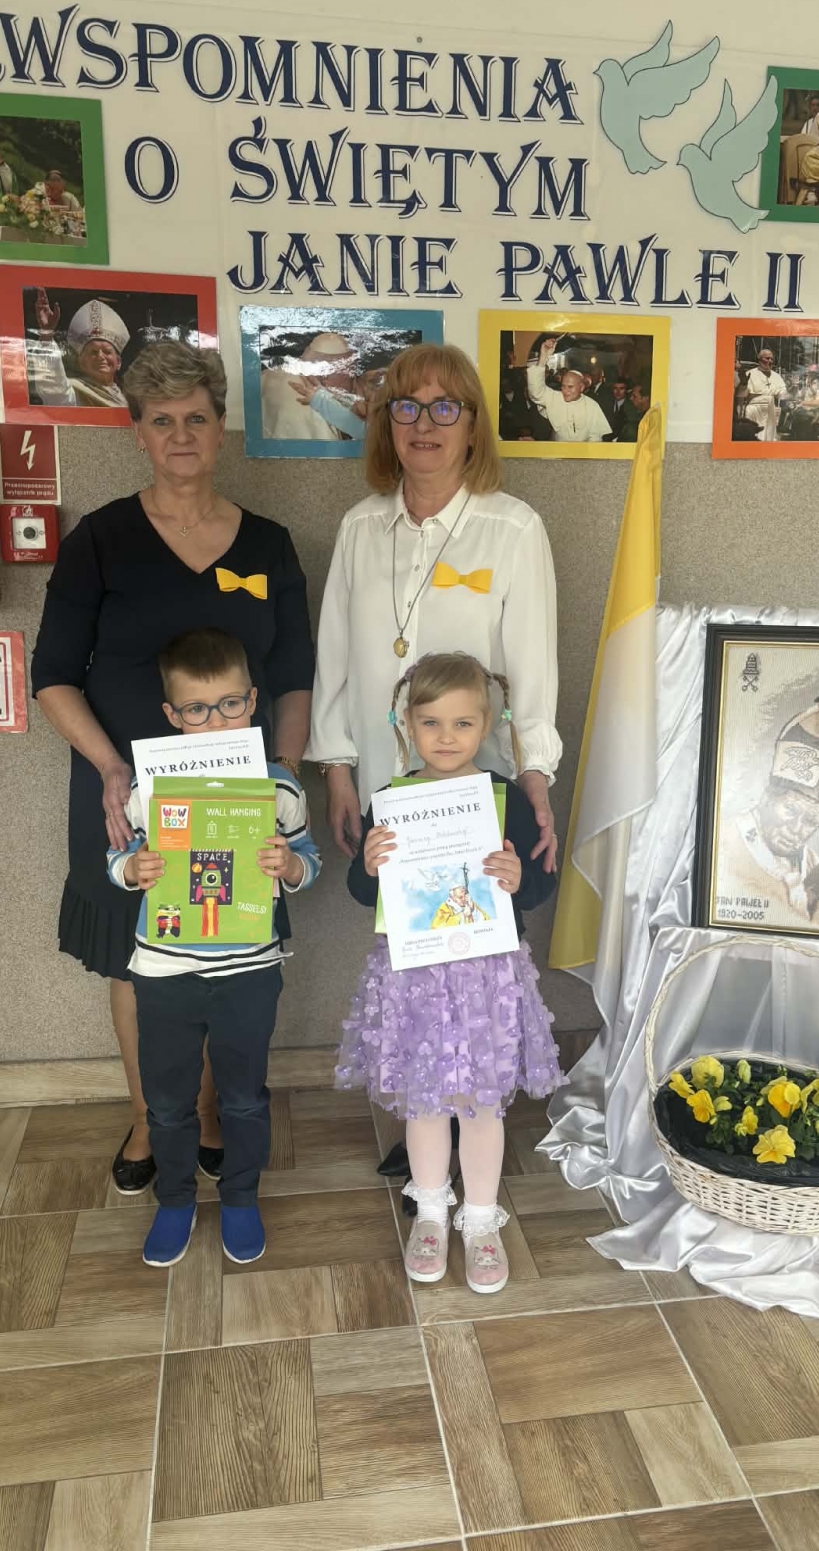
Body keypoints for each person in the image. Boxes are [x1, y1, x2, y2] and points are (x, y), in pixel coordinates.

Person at [32, 341, 313, 1194]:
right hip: (127, 796)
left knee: (227, 951)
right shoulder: (100, 540)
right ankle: (152, 1118)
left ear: (222, 428)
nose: (181, 435)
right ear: (139, 433)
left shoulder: (268, 545)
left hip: (238, 798)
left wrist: (284, 777)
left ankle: (214, 1112)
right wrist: (110, 769)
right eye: (162, 420)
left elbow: (295, 676)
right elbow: (52, 675)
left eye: (196, 417)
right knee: (138, 958)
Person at [308, 339, 561, 1191]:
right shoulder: (360, 526)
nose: (425, 423)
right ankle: (424, 1118)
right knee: (410, 957)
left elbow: (532, 670)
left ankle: (474, 1115)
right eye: (406, 406)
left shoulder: (511, 527)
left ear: (473, 425)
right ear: (386, 423)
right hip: (394, 786)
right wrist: (338, 768)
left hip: (479, 792)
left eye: (445, 406)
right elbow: (335, 658)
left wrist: (536, 777)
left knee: (479, 959)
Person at [339, 652, 564, 1293]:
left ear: (485, 725)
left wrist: (518, 879)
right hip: (415, 978)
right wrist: (369, 866)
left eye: (462, 724)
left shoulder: (507, 800)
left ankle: (482, 1220)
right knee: (426, 1101)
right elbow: (363, 892)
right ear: (407, 724)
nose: (446, 737)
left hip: (487, 977)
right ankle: (432, 1213)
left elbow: (538, 884)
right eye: (431, 722)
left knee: (482, 1103)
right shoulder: (390, 802)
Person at [107, 627, 321, 1267]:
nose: (216, 721)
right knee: (167, 1100)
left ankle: (240, 1197)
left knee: (245, 1096)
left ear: (252, 702)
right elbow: (116, 859)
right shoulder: (148, 791)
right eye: (197, 710)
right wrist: (132, 869)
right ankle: (175, 1200)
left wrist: (289, 866)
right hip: (164, 970)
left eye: (229, 704)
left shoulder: (278, 787)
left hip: (249, 969)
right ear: (172, 715)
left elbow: (308, 861)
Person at [716, 688, 819, 930]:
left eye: (810, 821)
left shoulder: (813, 863)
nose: (796, 829)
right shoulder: (724, 841)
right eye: (790, 810)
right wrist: (809, 891)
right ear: (767, 798)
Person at [26, 292, 133, 408]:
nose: (100, 356)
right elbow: (55, 390)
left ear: (119, 362)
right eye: (93, 352)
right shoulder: (75, 391)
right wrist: (47, 335)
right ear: (81, 362)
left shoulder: (130, 396)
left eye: (107, 352)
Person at [260, 331, 357, 442]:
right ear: (325, 377)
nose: (354, 386)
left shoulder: (268, 375)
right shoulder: (319, 415)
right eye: (351, 376)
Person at [524, 339, 612, 442]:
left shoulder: (592, 406)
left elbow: (595, 436)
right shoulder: (555, 398)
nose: (565, 391)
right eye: (563, 386)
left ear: (581, 388)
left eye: (570, 387)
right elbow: (536, 392)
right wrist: (543, 358)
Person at [743, 349, 787, 442]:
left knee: (769, 438)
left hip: (770, 410)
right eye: (767, 358)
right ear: (759, 359)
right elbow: (747, 394)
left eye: (772, 359)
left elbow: (782, 393)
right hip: (754, 409)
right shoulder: (750, 374)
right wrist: (769, 393)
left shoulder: (776, 376)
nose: (770, 361)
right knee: (753, 438)